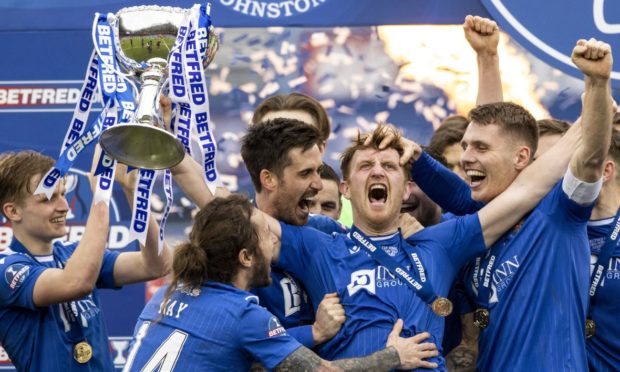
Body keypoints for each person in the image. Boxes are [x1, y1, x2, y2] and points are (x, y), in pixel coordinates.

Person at [410, 39, 613, 370]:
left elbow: (590, 157)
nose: (466, 157)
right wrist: (487, 57)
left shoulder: (559, 213)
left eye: (479, 148)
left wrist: (597, 82)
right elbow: (496, 125)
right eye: (465, 146)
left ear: (522, 158)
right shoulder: (478, 220)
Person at [123, 194, 440, 371]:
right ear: (246, 257)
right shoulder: (245, 315)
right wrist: (394, 356)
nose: (276, 241)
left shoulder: (166, 294)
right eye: (267, 236)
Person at [0, 150, 172, 370]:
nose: (64, 207)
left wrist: (134, 192)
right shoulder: (8, 269)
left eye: (63, 194)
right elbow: (76, 283)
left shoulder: (72, 255)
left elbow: (157, 265)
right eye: (49, 198)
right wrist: (100, 199)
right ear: (13, 211)